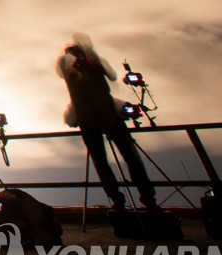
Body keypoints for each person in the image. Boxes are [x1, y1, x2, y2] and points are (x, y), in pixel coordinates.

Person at [57, 35, 158, 214]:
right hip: (97, 116)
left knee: (111, 159)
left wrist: (92, 64)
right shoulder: (72, 69)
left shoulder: (89, 65)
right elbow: (110, 77)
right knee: (123, 157)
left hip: (96, 116)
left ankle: (129, 199)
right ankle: (139, 199)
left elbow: (110, 75)